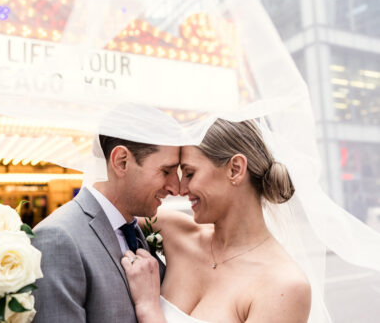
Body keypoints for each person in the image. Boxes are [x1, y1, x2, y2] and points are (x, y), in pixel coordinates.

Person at [122, 119, 312, 323]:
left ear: (235, 169)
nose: (180, 189)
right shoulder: (170, 231)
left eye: (189, 173)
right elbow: (99, 209)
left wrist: (149, 308)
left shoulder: (284, 285)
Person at [31, 135, 180, 322]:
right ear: (121, 162)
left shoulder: (137, 231)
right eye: (166, 171)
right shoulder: (57, 238)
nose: (176, 188)